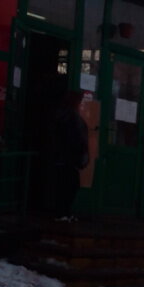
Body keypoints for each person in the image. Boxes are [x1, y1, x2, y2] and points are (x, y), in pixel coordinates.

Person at [51, 90, 89, 220]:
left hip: (63, 158)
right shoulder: (72, 117)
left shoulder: (63, 115)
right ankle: (63, 213)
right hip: (69, 158)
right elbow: (75, 139)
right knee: (70, 185)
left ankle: (63, 213)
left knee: (65, 185)